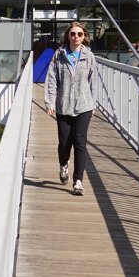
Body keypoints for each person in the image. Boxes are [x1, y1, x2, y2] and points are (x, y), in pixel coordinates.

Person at [44, 21, 97, 196]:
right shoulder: (59, 56)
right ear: (68, 35)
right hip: (63, 106)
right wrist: (50, 102)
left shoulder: (88, 56)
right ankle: (63, 166)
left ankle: (78, 182)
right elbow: (52, 80)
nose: (76, 37)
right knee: (65, 142)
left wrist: (93, 104)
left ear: (84, 37)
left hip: (84, 106)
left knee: (80, 142)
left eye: (80, 34)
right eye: (73, 34)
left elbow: (93, 82)